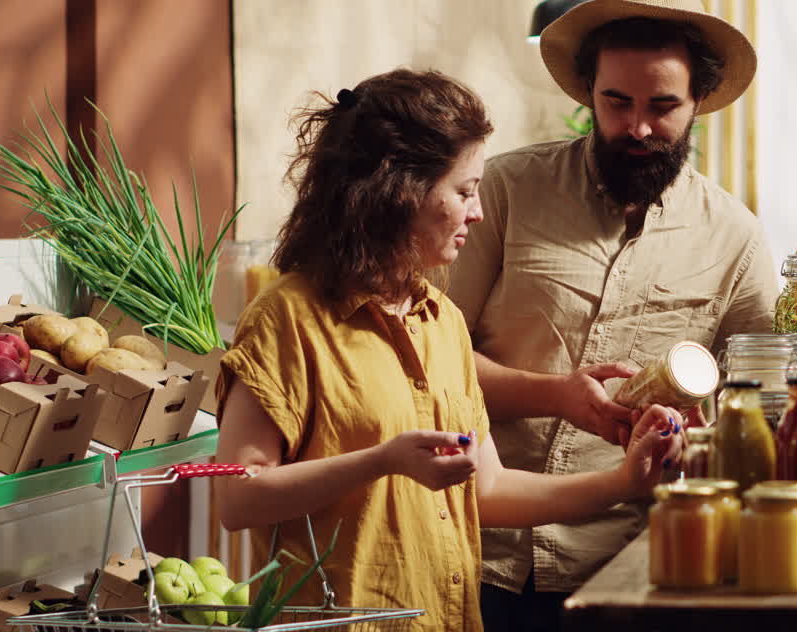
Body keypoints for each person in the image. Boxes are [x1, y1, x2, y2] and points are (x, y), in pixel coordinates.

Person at [212, 68, 685, 632]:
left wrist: (624, 483)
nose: (478, 212)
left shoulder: (442, 322)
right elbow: (237, 497)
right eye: (464, 191)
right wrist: (382, 461)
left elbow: (487, 489)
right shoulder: (286, 318)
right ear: (398, 192)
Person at [445, 0, 779, 631]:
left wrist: (699, 437)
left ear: (700, 99)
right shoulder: (504, 193)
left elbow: (757, 410)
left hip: (641, 559)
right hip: (490, 553)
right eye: (616, 102)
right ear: (589, 93)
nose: (637, 127)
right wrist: (555, 393)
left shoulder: (735, 238)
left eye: (662, 106)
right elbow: (430, 361)